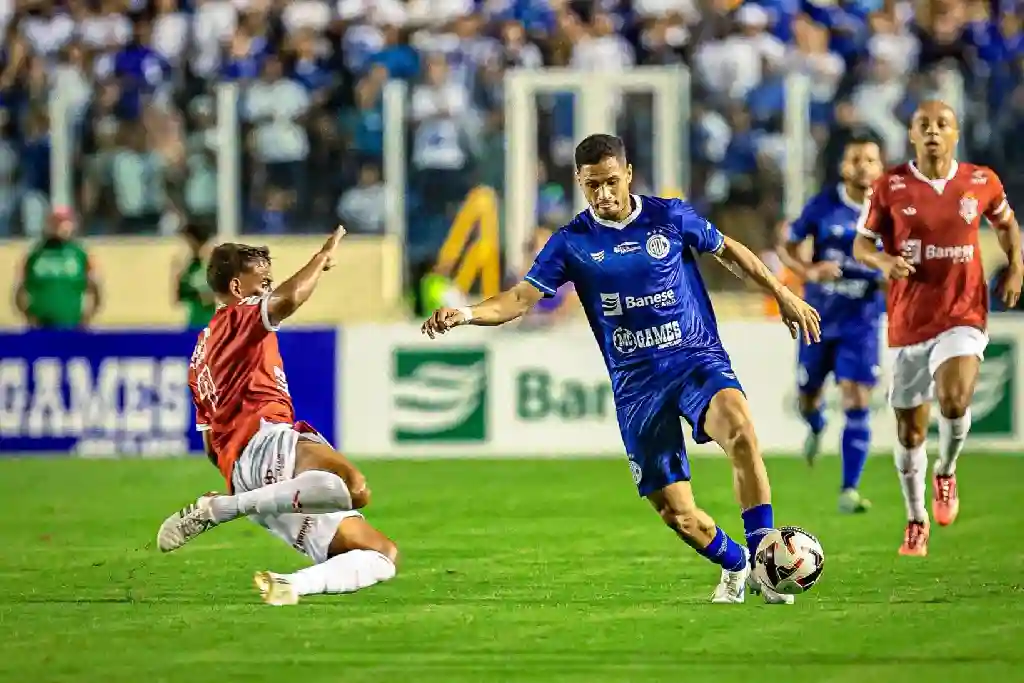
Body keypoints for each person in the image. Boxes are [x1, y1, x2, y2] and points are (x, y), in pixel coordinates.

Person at [422, 134, 822, 605]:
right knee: (680, 515)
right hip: (637, 387)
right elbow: (519, 298)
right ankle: (735, 563)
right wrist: (467, 313)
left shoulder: (668, 216)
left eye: (612, 181)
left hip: (695, 358)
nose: (604, 194)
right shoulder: (571, 243)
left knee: (741, 431)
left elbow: (730, 251)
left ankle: (763, 559)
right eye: (593, 185)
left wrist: (783, 293)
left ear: (629, 174)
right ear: (579, 182)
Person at [155, 227, 399, 605]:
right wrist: (321, 260)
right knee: (354, 488)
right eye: (262, 281)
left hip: (246, 479)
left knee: (381, 554)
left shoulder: (198, 357)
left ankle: (290, 586)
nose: (268, 288)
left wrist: (246, 487)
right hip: (265, 444)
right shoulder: (237, 318)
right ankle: (223, 508)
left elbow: (209, 445)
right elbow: (287, 301)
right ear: (237, 288)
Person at [853, 100, 1023, 556]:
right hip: (909, 320)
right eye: (924, 125)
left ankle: (945, 471)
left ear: (955, 134)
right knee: (910, 432)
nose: (933, 132)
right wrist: (884, 260)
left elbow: (1007, 225)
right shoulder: (890, 185)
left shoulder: (981, 181)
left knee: (955, 397)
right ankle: (915, 518)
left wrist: (1016, 266)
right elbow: (861, 245)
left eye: (942, 125)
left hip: (963, 313)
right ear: (912, 134)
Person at [778, 134, 886, 514]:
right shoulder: (822, 206)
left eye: (869, 160)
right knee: (807, 396)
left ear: (880, 167)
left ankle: (849, 490)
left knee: (857, 397)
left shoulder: (890, 213)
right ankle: (816, 422)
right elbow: (786, 249)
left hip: (862, 320)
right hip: (819, 319)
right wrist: (811, 270)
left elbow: (904, 263)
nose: (862, 167)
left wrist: (892, 274)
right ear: (844, 166)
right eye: (855, 159)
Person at [14, 207, 102, 329]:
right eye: (56, 222)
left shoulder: (80, 255)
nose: (60, 227)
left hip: (72, 328)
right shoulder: (35, 254)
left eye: (64, 222)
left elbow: (95, 289)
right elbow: (19, 291)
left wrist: (86, 318)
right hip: (40, 329)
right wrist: (29, 317)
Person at [174, 222, 217, 329]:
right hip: (193, 322)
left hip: (210, 324)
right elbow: (177, 297)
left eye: (187, 241)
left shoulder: (210, 264)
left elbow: (210, 298)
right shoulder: (190, 266)